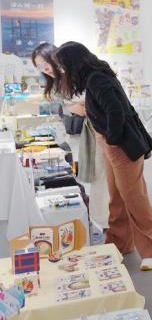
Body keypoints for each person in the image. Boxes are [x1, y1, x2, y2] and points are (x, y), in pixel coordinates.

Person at [54, 41, 152, 270]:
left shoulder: (97, 79)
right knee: (116, 198)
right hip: (114, 147)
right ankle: (120, 243)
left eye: (64, 66)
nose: (63, 72)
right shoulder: (96, 77)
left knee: (134, 198)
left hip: (121, 147)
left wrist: (111, 139)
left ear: (73, 63)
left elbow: (116, 111)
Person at [32, 43, 110, 233]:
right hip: (75, 136)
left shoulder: (76, 76)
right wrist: (73, 107)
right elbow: (73, 107)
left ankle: (102, 222)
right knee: (86, 178)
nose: (45, 69)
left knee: (100, 177)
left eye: (45, 63)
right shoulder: (55, 85)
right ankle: (95, 220)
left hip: (95, 133)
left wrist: (76, 107)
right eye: (39, 66)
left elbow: (84, 107)